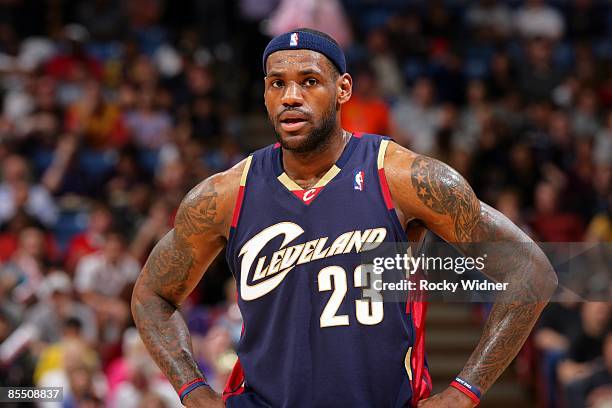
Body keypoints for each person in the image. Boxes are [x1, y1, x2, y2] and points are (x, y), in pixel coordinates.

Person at [132, 28, 557, 407]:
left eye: (309, 82)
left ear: (343, 89)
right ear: (264, 95)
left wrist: (465, 390)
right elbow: (151, 296)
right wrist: (193, 390)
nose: (291, 96)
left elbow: (530, 270)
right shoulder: (224, 194)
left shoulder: (403, 177)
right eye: (277, 84)